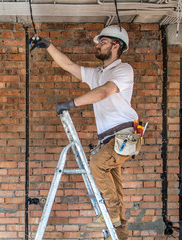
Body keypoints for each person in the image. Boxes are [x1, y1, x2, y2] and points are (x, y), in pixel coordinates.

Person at [30, 25, 138, 240]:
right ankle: (120, 233)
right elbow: (69, 65)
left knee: (97, 164)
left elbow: (105, 92)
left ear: (116, 45)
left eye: (103, 42)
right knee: (114, 186)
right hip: (109, 139)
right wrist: (48, 46)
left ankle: (112, 216)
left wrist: (71, 103)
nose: (98, 45)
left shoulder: (123, 70)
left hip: (124, 135)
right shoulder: (97, 73)